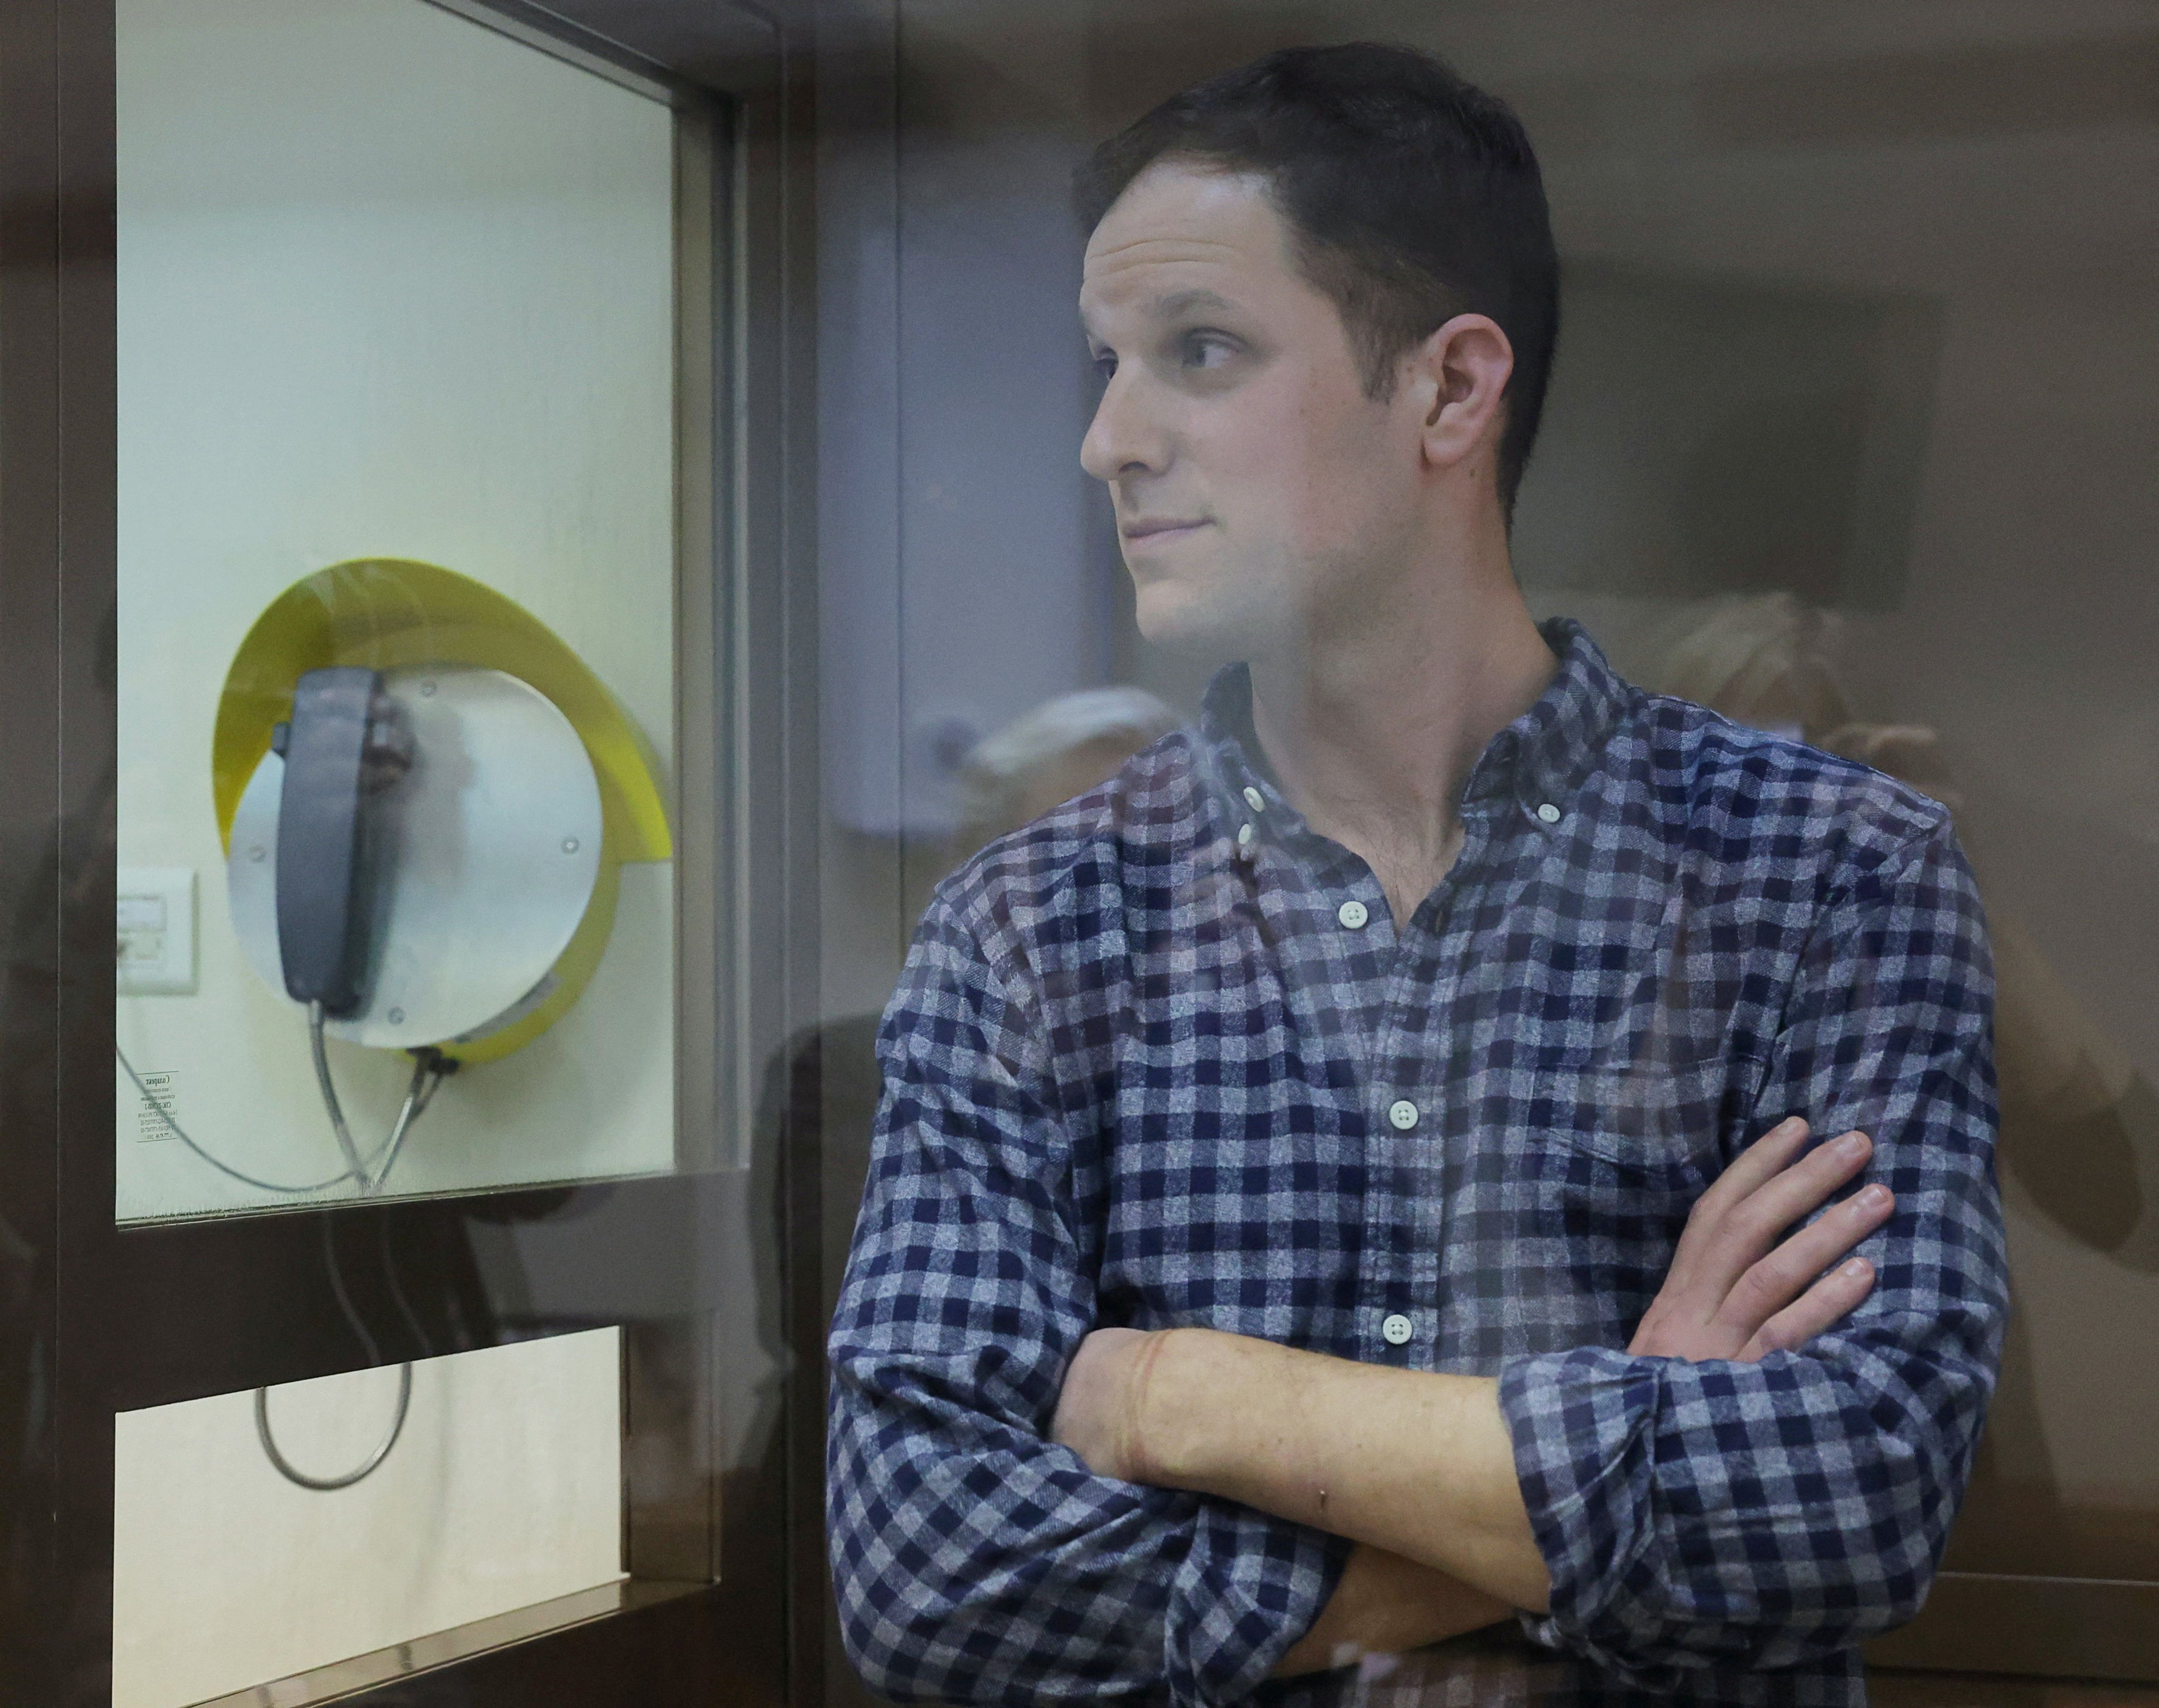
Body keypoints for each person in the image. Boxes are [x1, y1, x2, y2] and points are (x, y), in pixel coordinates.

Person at [828, 43, 2006, 1707]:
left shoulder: (1825, 874)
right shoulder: (1028, 931)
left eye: (1201, 351)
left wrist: (1194, 1400)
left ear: (1450, 390)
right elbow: (927, 1578)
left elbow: (1857, 1496)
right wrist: (1614, 1435)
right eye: (1104, 363)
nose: (1106, 439)